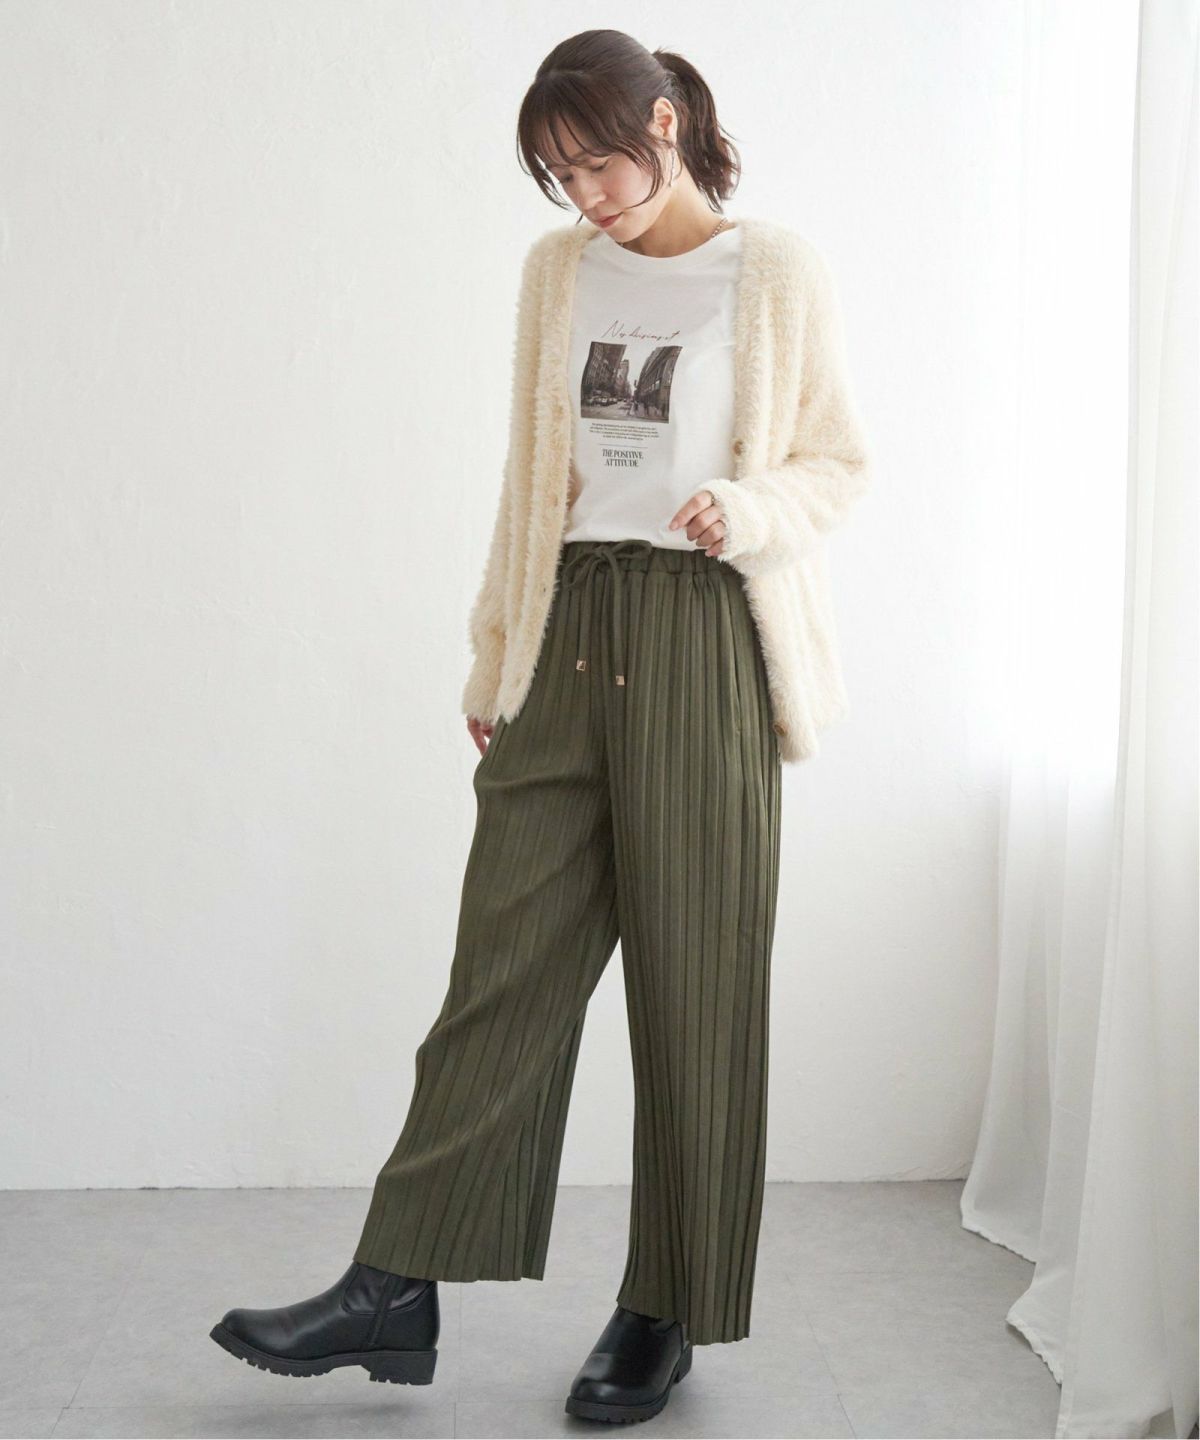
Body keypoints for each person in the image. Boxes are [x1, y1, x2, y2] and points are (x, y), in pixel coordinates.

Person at [210, 27, 872, 1426]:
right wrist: (495, 657)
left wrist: (748, 509)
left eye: (601, 164)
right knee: (501, 968)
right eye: (562, 177)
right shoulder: (555, 274)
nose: (588, 197)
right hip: (567, 626)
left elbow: (836, 462)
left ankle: (665, 1306)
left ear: (665, 124)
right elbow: (531, 481)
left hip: (703, 629)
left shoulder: (772, 271)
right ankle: (394, 1285)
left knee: (695, 987)